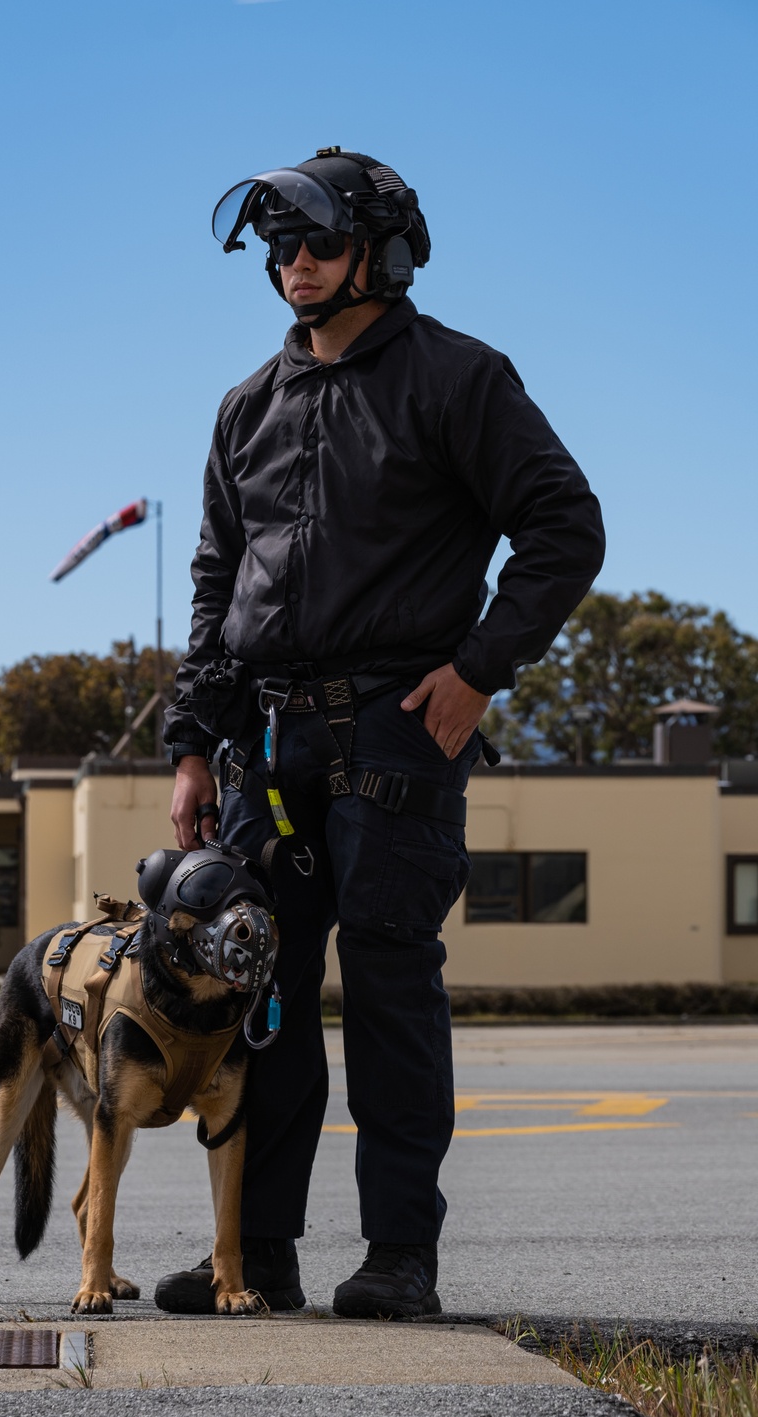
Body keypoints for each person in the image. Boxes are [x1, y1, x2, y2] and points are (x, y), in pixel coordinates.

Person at [156, 147, 606, 1318]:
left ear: (381, 249)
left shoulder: (459, 379)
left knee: (392, 988)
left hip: (397, 733)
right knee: (262, 994)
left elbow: (563, 525)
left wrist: (477, 672)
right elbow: (217, 579)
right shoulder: (246, 407)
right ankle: (255, 1256)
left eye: (312, 242)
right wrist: (195, 744)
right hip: (268, 744)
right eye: (276, 248)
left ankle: (400, 1256)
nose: (291, 264)